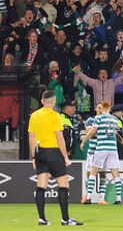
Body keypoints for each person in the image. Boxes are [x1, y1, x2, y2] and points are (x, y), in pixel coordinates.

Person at [28, 90, 82, 226]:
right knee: (63, 184)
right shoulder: (55, 116)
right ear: (53, 102)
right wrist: (66, 157)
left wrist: (34, 157)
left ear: (42, 101)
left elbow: (31, 137)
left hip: (39, 152)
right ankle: (65, 219)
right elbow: (60, 138)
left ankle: (42, 219)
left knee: (41, 185)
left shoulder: (34, 116)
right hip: (53, 152)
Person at [82, 99, 123, 204]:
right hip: (111, 149)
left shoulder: (99, 118)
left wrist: (83, 141)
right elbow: (115, 134)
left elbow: (92, 132)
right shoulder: (115, 119)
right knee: (115, 174)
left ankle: (90, 198)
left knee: (95, 173)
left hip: (101, 148)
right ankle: (118, 199)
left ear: (102, 107)